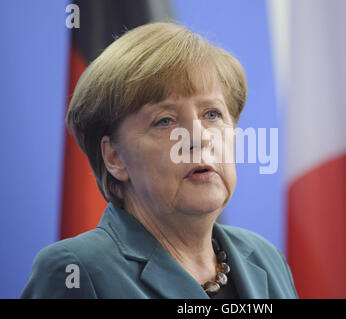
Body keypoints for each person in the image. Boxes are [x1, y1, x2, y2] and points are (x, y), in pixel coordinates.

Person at [21, 22, 298, 299]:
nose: (199, 138)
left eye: (212, 114)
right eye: (164, 121)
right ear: (114, 158)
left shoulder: (266, 259)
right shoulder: (76, 271)